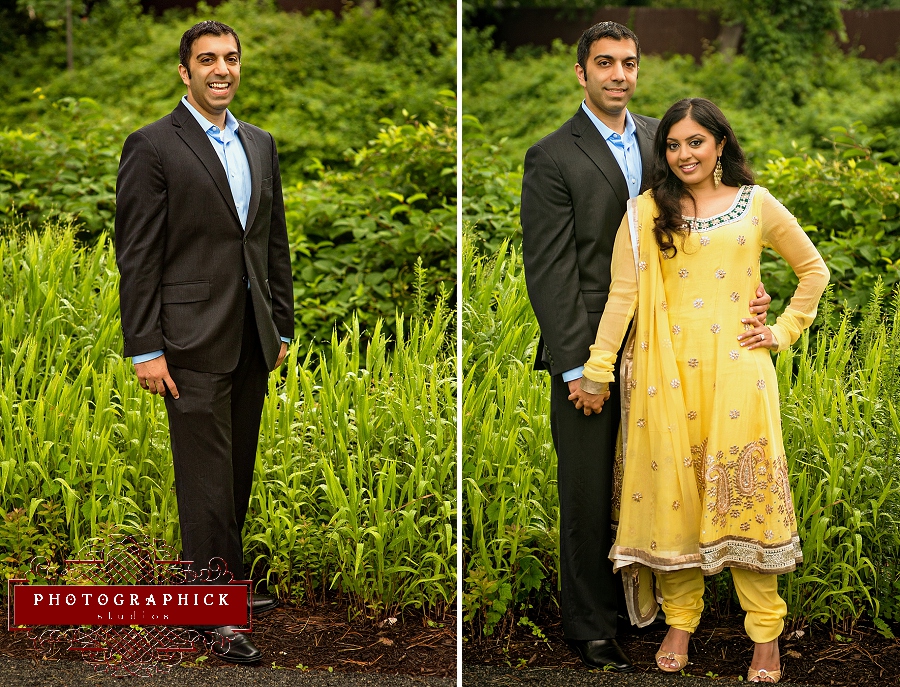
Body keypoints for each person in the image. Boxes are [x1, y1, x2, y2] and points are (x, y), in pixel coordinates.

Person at [520, 22, 771, 672]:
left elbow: (720, 228)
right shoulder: (553, 156)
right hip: (592, 357)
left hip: (678, 353)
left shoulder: (669, 138)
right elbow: (550, 272)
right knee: (586, 490)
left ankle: (656, 611)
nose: (618, 74)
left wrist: (753, 293)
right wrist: (580, 365)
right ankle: (593, 625)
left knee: (662, 486)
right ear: (581, 73)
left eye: (629, 63)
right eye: (604, 63)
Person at [575, 98, 829, 683]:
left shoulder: (754, 203)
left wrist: (781, 330)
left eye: (696, 142)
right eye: (672, 145)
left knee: (745, 499)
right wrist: (598, 366)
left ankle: (765, 635)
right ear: (662, 152)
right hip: (663, 377)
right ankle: (681, 620)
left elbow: (814, 270)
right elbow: (622, 296)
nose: (684, 154)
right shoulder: (645, 211)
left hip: (738, 373)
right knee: (671, 499)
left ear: (719, 144)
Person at [115, 20, 294, 664]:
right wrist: (145, 347)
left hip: (250, 335)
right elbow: (137, 258)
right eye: (207, 60)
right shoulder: (153, 147)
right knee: (205, 479)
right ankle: (212, 609)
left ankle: (223, 579)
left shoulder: (261, 144)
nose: (222, 69)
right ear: (184, 71)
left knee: (236, 467)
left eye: (232, 59)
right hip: (185, 340)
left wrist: (281, 326)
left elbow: (271, 242)